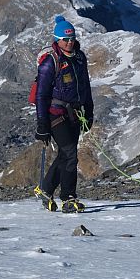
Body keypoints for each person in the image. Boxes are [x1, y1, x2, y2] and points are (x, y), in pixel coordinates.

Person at [33, 15, 94, 213]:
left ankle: (45, 190)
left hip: (75, 114)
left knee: (65, 155)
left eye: (72, 38)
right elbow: (42, 95)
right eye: (65, 39)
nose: (69, 42)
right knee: (70, 154)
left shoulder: (79, 58)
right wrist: (42, 125)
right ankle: (68, 198)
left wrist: (89, 111)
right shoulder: (50, 62)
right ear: (57, 40)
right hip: (55, 114)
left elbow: (85, 85)